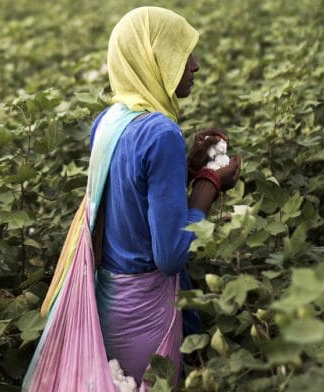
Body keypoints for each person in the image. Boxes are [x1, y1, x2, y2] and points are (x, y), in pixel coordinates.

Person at [90, 6, 241, 388]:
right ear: (155, 59)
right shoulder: (160, 132)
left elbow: (131, 200)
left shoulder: (110, 120)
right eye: (182, 53)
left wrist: (186, 167)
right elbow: (171, 254)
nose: (195, 66)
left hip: (109, 302)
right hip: (146, 314)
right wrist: (210, 182)